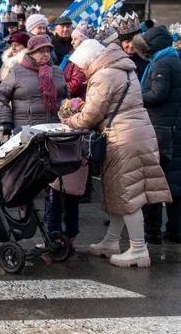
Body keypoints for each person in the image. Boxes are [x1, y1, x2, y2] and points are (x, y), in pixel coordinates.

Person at [64, 39, 171, 268]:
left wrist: (68, 120)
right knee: (120, 192)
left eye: (82, 65)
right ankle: (111, 242)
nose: (82, 70)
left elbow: (91, 115)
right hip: (138, 133)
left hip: (122, 138)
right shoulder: (124, 69)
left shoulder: (103, 76)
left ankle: (138, 249)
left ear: (90, 60)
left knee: (127, 195)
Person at [0, 35, 74, 240]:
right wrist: (7, 123)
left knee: (51, 178)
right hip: (27, 133)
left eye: (48, 50)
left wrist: (70, 113)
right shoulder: (18, 71)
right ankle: (24, 215)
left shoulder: (56, 72)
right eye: (40, 51)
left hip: (53, 132)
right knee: (26, 177)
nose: (45, 54)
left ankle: (50, 219)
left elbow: (65, 98)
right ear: (30, 52)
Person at [132, 25, 181, 244]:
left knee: (154, 181)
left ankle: (152, 232)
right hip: (177, 128)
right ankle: (175, 230)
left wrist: (136, 94)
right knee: (173, 182)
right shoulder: (176, 61)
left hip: (161, 129)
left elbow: (157, 95)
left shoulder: (162, 64)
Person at [112, 13, 147, 80]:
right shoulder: (114, 58)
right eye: (127, 41)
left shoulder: (146, 57)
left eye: (134, 41)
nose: (131, 45)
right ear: (121, 42)